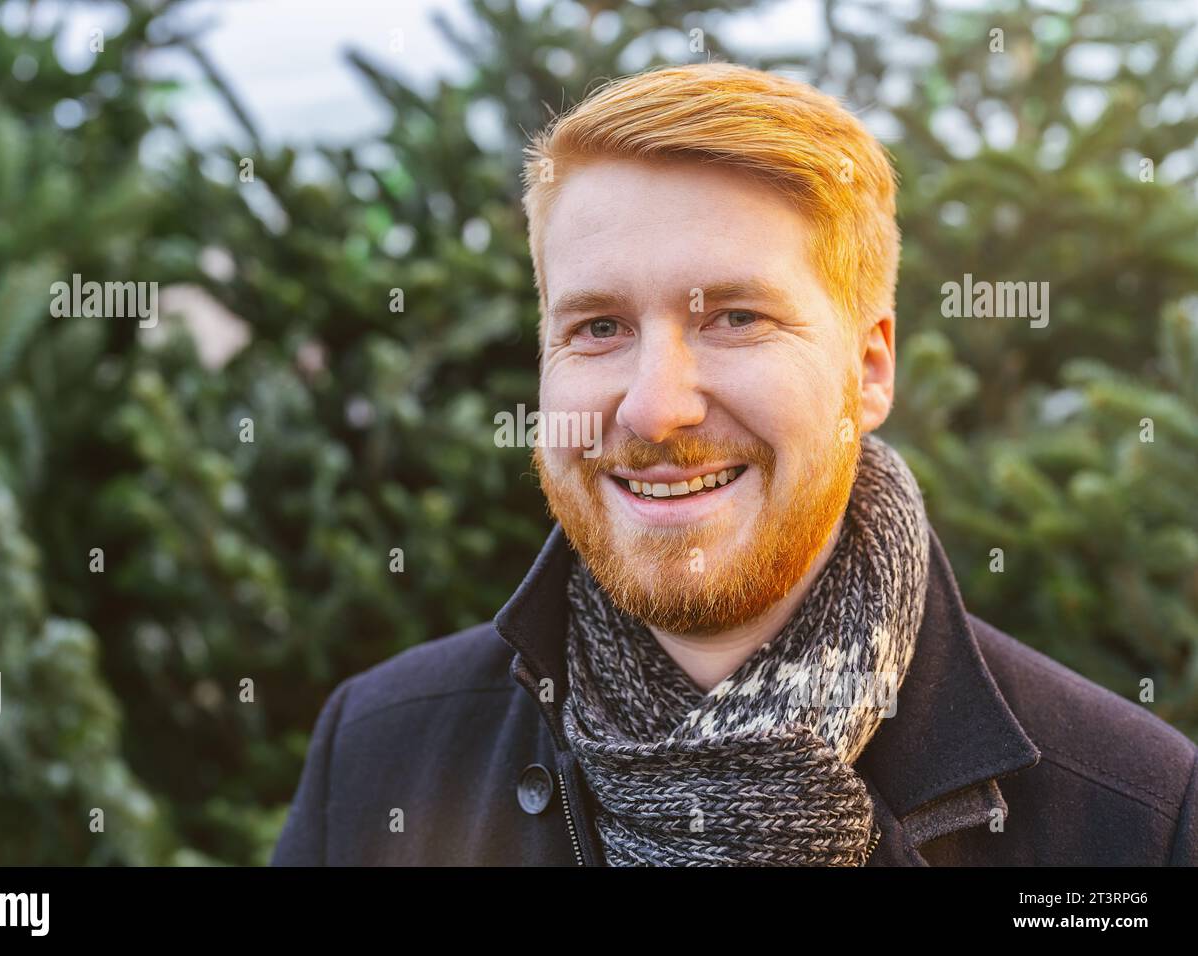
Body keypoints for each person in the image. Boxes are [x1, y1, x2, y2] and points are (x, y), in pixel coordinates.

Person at [272, 62, 1198, 866]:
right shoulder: (374, 754)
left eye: (735, 319)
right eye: (599, 327)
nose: (654, 406)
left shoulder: (1134, 817)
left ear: (868, 371)